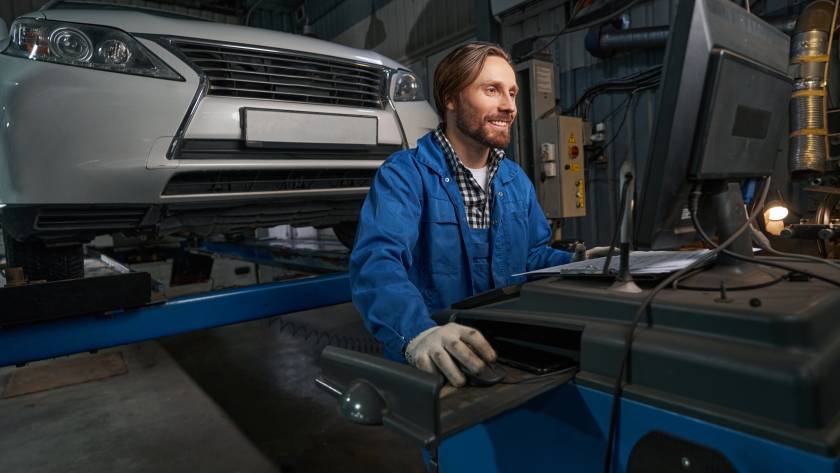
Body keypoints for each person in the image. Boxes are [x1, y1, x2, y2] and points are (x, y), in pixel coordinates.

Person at [350, 42, 583, 387]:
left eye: (513, 93)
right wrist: (418, 334)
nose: (509, 106)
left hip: (509, 358)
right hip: (438, 365)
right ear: (451, 99)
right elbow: (377, 263)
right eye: (492, 90)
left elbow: (532, 257)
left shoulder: (515, 180)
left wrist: (583, 263)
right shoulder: (405, 175)